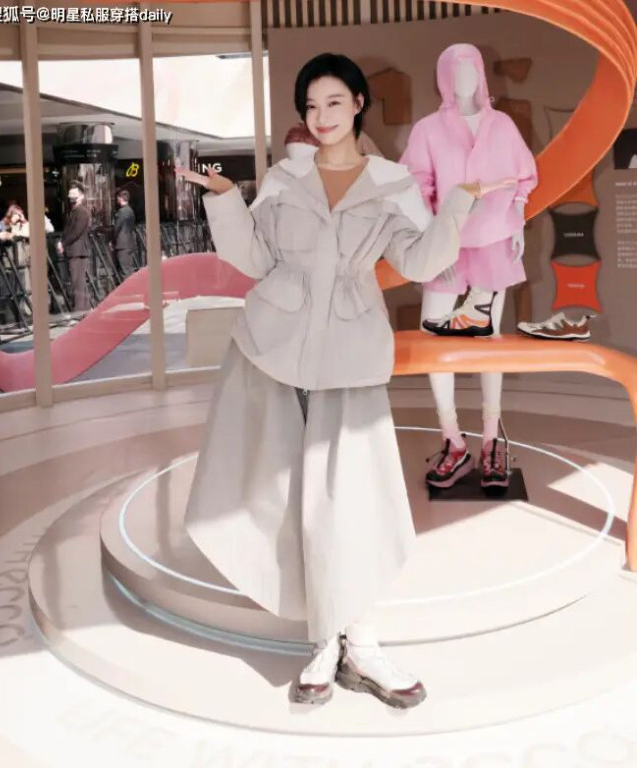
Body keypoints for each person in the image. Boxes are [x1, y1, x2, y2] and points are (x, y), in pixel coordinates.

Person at [176, 53, 506, 709]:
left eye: (333, 102)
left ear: (358, 103)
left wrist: (459, 205)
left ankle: (358, 641)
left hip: (349, 356)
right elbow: (255, 259)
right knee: (289, 498)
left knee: (352, 500)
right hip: (271, 350)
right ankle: (331, 641)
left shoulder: (390, 183)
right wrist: (226, 200)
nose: (321, 116)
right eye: (310, 106)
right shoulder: (284, 178)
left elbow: (418, 260)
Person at [400, 44, 537, 490]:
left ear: (480, 74)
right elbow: (415, 185)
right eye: (455, 72)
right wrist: (431, 243)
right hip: (447, 238)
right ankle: (452, 439)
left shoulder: (502, 125)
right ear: (443, 78)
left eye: (470, 71)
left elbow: (522, 177)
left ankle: (492, 441)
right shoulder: (427, 129)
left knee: (489, 341)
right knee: (434, 338)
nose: (464, 80)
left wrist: (517, 220)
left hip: (494, 237)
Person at [57, 182, 91, 314]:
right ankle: (84, 308)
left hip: (78, 251)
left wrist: (63, 243)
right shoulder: (74, 211)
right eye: (70, 193)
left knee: (77, 281)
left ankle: (80, 310)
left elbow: (76, 231)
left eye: (73, 193)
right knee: (78, 281)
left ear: (81, 196)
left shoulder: (81, 212)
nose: (70, 195)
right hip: (75, 251)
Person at [111, 189, 137, 278]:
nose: (117, 200)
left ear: (121, 198)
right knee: (129, 268)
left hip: (122, 244)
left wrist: (113, 240)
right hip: (129, 242)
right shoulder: (130, 210)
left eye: (118, 198)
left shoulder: (122, 212)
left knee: (124, 270)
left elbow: (117, 227)